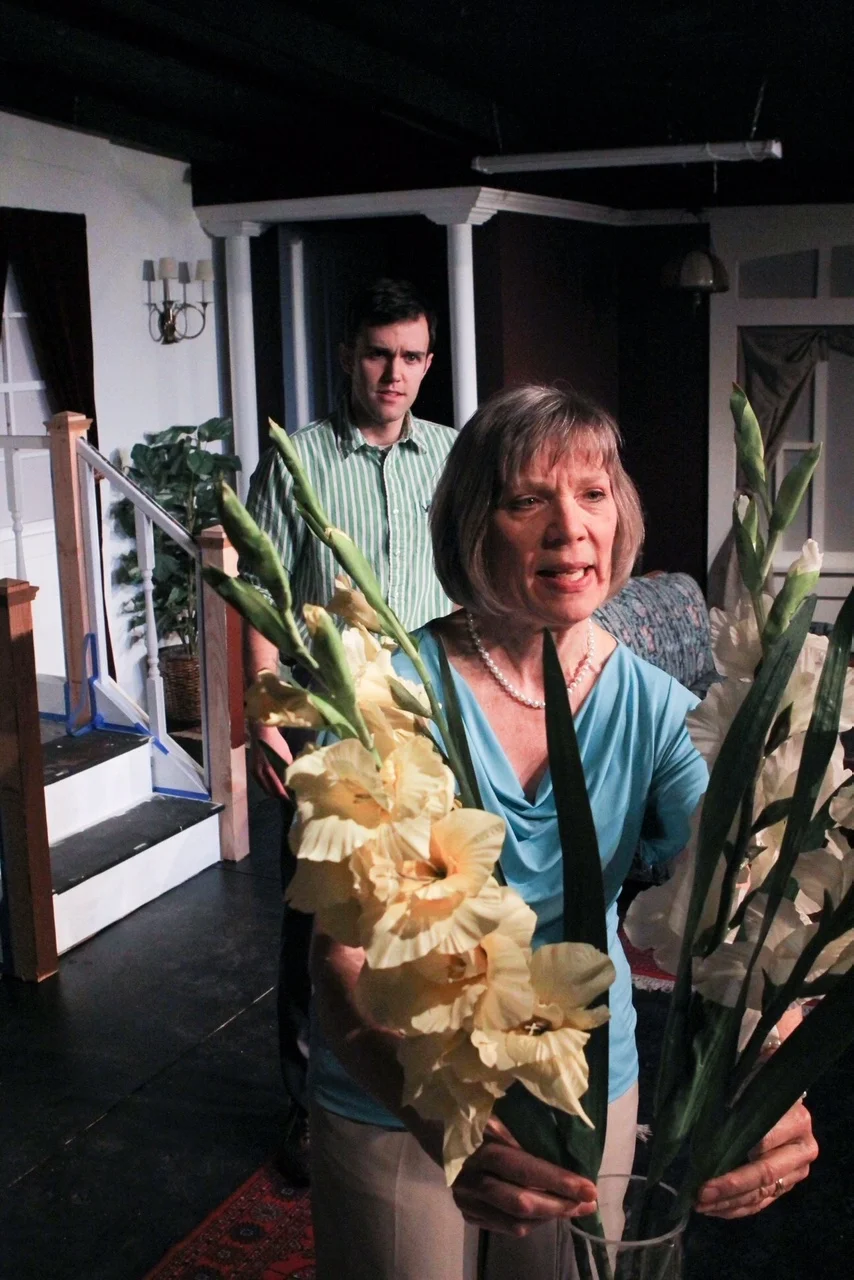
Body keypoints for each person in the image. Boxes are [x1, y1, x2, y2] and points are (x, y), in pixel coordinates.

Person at [304, 385, 818, 1278]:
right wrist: (434, 1116)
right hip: (400, 1087)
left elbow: (735, 899)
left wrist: (769, 1068)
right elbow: (339, 956)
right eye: (527, 499)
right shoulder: (389, 699)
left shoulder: (655, 710)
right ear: (472, 524)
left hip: (578, 1078)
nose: (571, 526)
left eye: (593, 493)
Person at [243, 277, 457, 1182]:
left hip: (429, 720)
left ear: (429, 362)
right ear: (346, 355)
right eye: (379, 353)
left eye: (412, 357)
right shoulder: (299, 458)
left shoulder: (452, 454)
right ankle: (308, 1102)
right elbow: (259, 589)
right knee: (324, 914)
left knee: (431, 904)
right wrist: (260, 712)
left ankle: (426, 1072)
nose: (394, 373)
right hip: (329, 717)